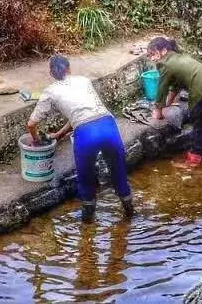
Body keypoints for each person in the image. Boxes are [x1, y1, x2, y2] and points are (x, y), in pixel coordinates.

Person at [26, 55, 133, 222]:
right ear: (69, 69)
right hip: (108, 126)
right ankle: (129, 214)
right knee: (118, 172)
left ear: (51, 73)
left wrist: (37, 140)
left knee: (86, 179)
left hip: (86, 134)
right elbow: (82, 114)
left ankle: (87, 228)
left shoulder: (50, 92)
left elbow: (31, 124)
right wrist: (60, 134)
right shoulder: (83, 81)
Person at [147, 37, 202, 168]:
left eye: (153, 54)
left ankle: (193, 162)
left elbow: (162, 88)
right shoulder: (179, 57)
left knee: (201, 126)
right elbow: (175, 86)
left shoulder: (164, 64)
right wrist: (168, 104)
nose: (152, 59)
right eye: (149, 56)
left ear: (164, 50)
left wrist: (158, 111)